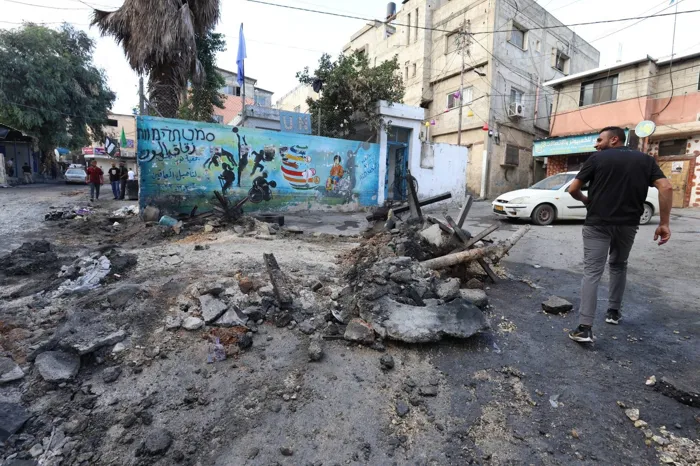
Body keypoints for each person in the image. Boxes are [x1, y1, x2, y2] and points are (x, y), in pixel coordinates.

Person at [566, 126, 673, 343]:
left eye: (599, 140)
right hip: (628, 224)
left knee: (592, 272)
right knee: (618, 265)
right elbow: (666, 187)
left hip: (598, 223)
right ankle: (613, 313)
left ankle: (585, 328)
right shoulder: (646, 160)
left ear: (614, 139)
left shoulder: (597, 159)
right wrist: (664, 223)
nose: (596, 144)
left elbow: (573, 189)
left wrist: (586, 200)